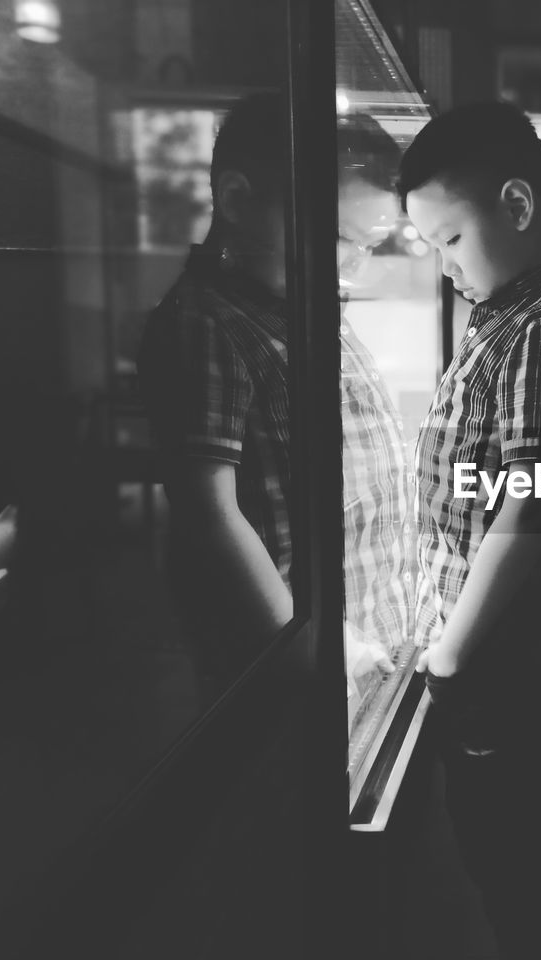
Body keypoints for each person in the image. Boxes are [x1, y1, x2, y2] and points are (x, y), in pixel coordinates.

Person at [400, 100, 541, 960]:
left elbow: (534, 500)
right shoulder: (509, 310)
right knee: (496, 803)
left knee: (506, 812)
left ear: (518, 208)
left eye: (451, 239)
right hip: (486, 622)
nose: (444, 264)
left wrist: (451, 650)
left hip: (500, 632)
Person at [137, 93, 412, 717]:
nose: (354, 267)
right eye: (340, 237)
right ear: (238, 202)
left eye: (369, 246)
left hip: (370, 631)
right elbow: (211, 517)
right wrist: (312, 649)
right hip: (300, 657)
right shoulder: (207, 323)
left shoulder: (301, 308)